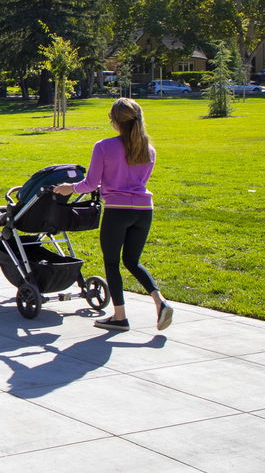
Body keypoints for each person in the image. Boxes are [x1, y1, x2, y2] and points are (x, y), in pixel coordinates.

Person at [50, 97, 174, 332]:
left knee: (112, 262)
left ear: (115, 121)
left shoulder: (104, 146)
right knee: (132, 261)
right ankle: (160, 302)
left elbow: (90, 183)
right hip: (144, 210)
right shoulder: (149, 150)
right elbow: (132, 181)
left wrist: (69, 188)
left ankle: (119, 317)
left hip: (118, 211)